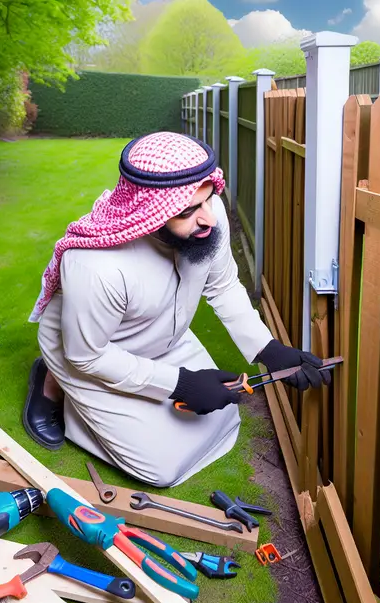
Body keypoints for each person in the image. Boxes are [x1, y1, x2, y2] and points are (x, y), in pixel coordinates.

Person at [23, 131, 331, 488]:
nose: (208, 219)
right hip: (88, 352)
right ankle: (53, 384)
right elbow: (88, 356)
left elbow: (223, 285)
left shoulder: (205, 217)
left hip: (162, 340)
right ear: (149, 212)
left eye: (208, 200)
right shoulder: (96, 266)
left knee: (225, 416)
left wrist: (269, 349)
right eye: (188, 211)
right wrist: (181, 383)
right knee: (161, 467)